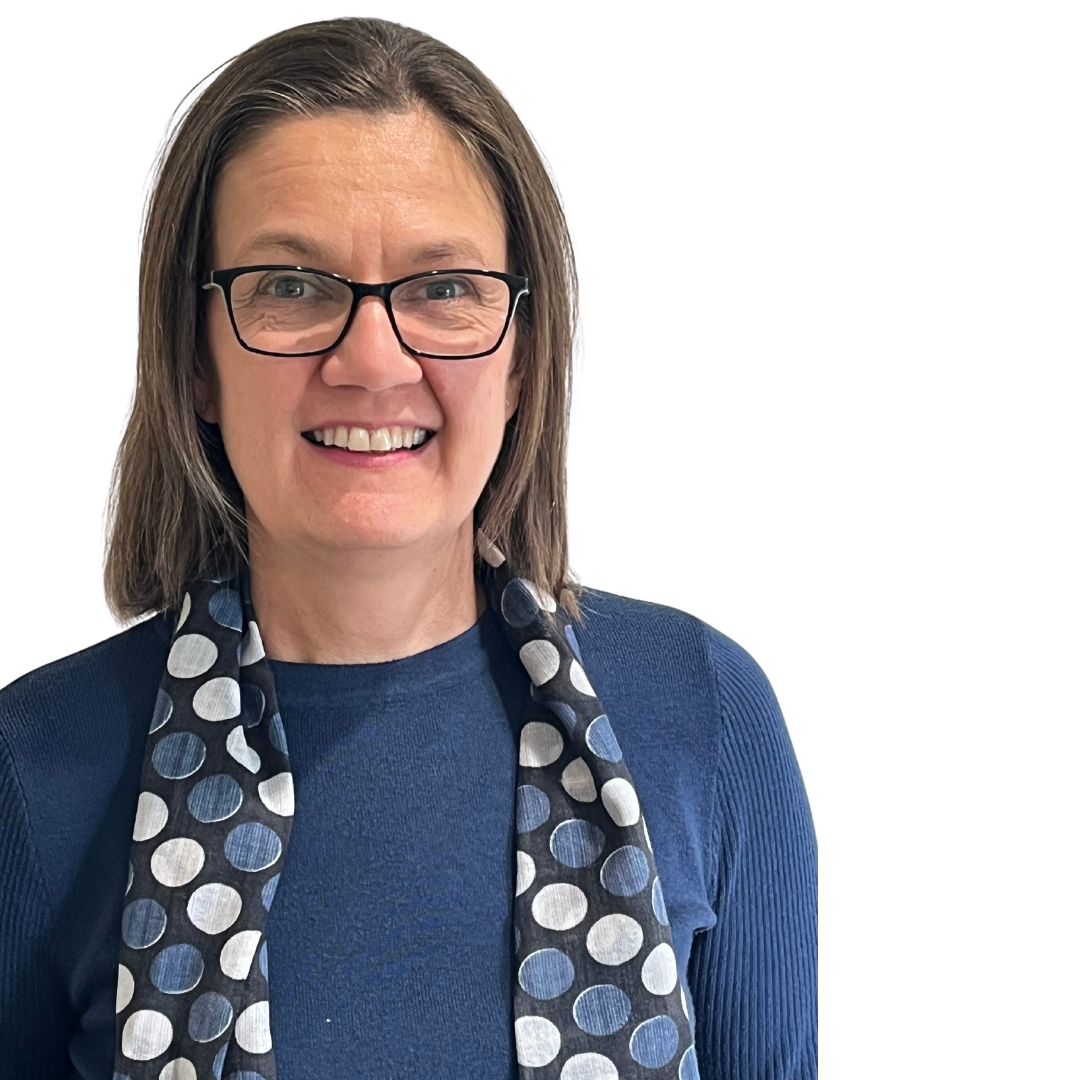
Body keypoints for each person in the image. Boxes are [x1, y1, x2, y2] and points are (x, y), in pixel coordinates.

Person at [0, 17, 816, 1080]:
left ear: (522, 357)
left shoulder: (704, 714)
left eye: (443, 289)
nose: (373, 361)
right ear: (195, 358)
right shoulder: (33, 766)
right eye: (290, 286)